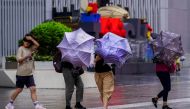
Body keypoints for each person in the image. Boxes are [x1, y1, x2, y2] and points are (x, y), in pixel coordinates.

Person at [5, 34, 46, 109]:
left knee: (33, 89)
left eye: (28, 42)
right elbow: (18, 60)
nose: (26, 43)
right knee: (19, 90)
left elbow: (37, 45)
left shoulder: (31, 48)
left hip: (29, 74)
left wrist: (31, 38)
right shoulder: (21, 48)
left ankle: (36, 105)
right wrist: (27, 56)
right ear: (23, 41)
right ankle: (9, 104)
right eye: (25, 41)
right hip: (21, 74)